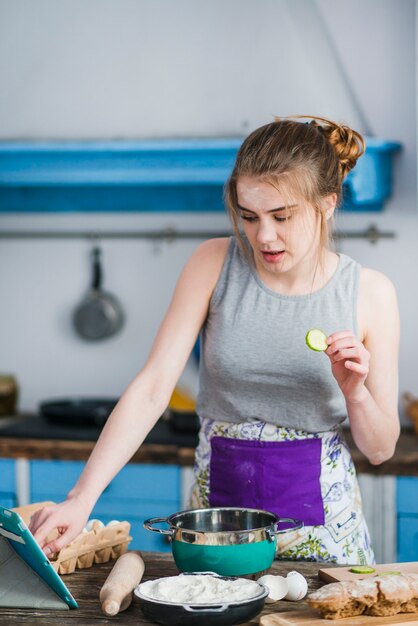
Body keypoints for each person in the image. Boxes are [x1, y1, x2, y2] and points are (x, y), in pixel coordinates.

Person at [30, 115, 400, 564]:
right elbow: (152, 389)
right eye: (249, 216)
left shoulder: (370, 293)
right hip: (215, 530)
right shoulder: (213, 263)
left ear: (327, 203)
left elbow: (381, 450)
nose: (264, 235)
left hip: (327, 542)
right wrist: (81, 497)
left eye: (282, 216)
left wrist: (354, 393)